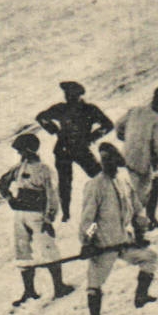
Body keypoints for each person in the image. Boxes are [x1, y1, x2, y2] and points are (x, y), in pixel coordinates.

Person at [79, 142, 158, 315]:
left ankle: (141, 296)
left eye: (112, 160)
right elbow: (89, 220)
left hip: (124, 242)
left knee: (150, 258)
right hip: (103, 246)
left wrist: (140, 232)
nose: (109, 164)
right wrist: (88, 241)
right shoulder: (95, 186)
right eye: (105, 160)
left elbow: (137, 210)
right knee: (94, 284)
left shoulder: (123, 183)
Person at [0, 133, 74, 306]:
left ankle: (59, 286)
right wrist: (10, 199)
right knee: (22, 250)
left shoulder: (44, 170)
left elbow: (51, 195)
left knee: (48, 248)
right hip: (20, 214)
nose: (20, 155)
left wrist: (49, 218)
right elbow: (2, 182)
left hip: (37, 214)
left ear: (30, 150)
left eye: (22, 151)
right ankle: (29, 290)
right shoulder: (18, 168)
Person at [34, 80, 115, 221]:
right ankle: (66, 213)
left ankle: (108, 201)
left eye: (71, 95)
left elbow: (108, 125)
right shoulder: (64, 108)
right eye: (67, 95)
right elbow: (41, 117)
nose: (68, 98)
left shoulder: (89, 109)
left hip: (78, 149)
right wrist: (53, 129)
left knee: (98, 176)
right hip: (65, 149)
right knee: (65, 182)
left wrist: (92, 137)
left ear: (78, 95)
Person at [117, 86, 158, 230]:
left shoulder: (136, 110)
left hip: (126, 158)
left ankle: (138, 222)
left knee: (134, 192)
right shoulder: (157, 120)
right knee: (148, 189)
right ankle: (145, 222)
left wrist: (127, 140)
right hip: (142, 164)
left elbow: (119, 126)